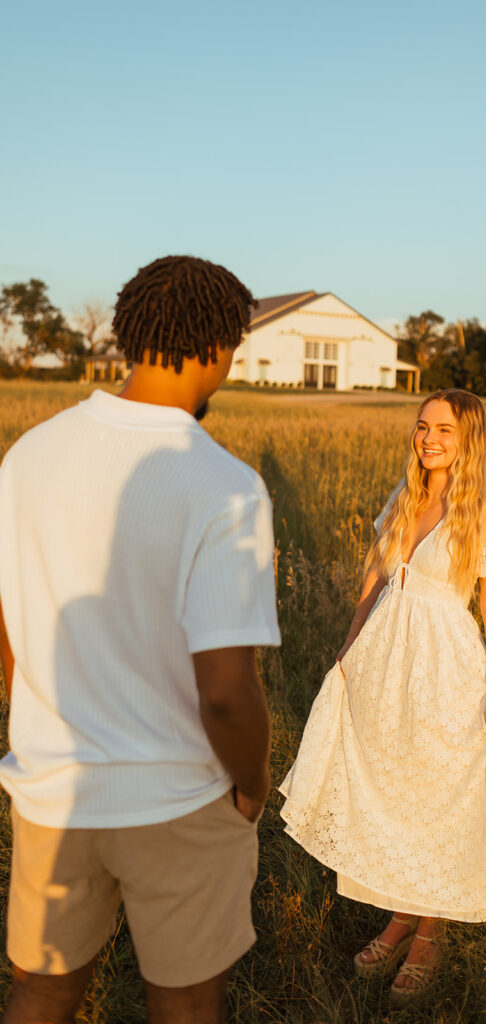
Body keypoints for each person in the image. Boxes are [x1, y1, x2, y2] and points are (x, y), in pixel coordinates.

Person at [0, 255, 281, 1024]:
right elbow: (225, 691)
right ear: (220, 345)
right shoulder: (223, 485)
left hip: (52, 791)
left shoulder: (28, 456)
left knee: (42, 990)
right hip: (180, 797)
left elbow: (10, 628)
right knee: (185, 1003)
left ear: (127, 334)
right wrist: (251, 782)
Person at [279, 388, 486, 1004]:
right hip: (384, 661)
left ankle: (432, 929)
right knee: (396, 785)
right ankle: (401, 915)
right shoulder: (404, 497)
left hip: (445, 667)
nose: (429, 438)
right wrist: (348, 650)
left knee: (442, 792)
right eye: (422, 426)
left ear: (469, 439)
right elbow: (374, 579)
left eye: (444, 430)